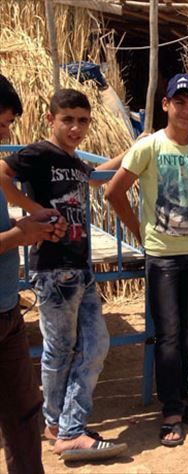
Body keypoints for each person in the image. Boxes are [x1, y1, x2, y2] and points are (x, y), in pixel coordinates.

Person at [0, 88, 127, 461]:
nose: (76, 128)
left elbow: (95, 177)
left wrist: (134, 151)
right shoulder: (39, 153)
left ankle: (59, 424)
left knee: (90, 345)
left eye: (83, 121)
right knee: (63, 349)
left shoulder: (72, 160)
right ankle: (67, 430)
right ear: (50, 119)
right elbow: (3, 173)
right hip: (54, 267)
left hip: (79, 266)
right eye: (67, 119)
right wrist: (33, 209)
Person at [105, 73, 188, 447]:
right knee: (168, 334)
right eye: (180, 103)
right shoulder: (150, 146)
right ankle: (171, 409)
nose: (187, 111)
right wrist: (139, 232)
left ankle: (181, 398)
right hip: (162, 256)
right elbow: (114, 191)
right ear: (166, 105)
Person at [0, 73, 67, 474]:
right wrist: (19, 236)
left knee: (24, 414)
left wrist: (27, 223)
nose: (5, 133)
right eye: (0, 123)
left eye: (8, 124)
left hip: (7, 312)